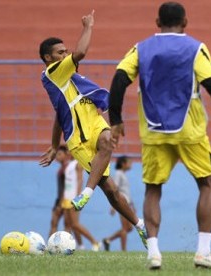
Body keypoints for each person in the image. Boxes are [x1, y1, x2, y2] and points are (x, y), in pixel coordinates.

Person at [108, 2, 211, 270]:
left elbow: (119, 79)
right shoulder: (195, 47)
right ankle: (203, 252)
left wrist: (115, 120)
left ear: (157, 22)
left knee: (153, 189)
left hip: (153, 131)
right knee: (206, 184)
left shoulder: (141, 48)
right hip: (190, 131)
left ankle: (153, 252)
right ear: (185, 21)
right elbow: (210, 81)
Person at [38, 10, 147, 249]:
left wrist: (55, 145)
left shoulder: (70, 81)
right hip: (77, 138)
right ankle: (140, 226)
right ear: (48, 58)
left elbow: (59, 113)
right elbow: (82, 52)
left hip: (95, 122)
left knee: (108, 140)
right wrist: (88, 26)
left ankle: (87, 192)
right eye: (60, 52)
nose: (66, 55)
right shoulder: (51, 73)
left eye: (65, 51)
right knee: (111, 191)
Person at [59, 147, 100, 251]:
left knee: (75, 224)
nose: (69, 152)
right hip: (66, 198)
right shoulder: (68, 165)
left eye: (70, 150)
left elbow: (80, 180)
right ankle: (68, 246)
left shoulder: (77, 164)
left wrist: (78, 197)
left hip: (73, 198)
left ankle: (95, 242)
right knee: (67, 224)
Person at [103, 156, 135, 251]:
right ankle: (124, 250)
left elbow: (126, 191)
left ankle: (108, 240)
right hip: (122, 204)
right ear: (123, 164)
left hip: (127, 203)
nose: (131, 164)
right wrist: (113, 206)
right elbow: (114, 189)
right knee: (125, 228)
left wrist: (132, 205)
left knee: (129, 228)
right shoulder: (118, 174)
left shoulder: (123, 174)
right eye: (129, 162)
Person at [48, 146, 66, 238]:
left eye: (59, 154)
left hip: (63, 199)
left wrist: (61, 203)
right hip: (59, 198)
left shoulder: (66, 168)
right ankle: (50, 244)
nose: (57, 156)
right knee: (54, 222)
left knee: (68, 224)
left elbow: (66, 187)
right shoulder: (62, 168)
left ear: (66, 155)